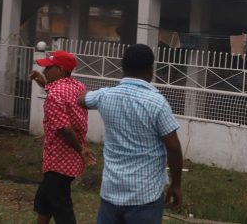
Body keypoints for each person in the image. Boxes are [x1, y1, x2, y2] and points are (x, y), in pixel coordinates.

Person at [78, 43, 183, 224]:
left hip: (111, 192)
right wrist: (176, 185)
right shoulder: (157, 103)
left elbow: (81, 100)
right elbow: (173, 147)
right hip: (145, 196)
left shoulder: (105, 96)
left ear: (123, 68)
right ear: (150, 69)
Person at [29, 50, 95, 224]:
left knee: (63, 211)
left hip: (59, 162)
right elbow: (64, 98)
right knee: (44, 202)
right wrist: (44, 84)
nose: (44, 72)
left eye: (48, 68)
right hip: (69, 161)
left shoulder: (55, 95)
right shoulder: (78, 86)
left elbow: (64, 129)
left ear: (60, 70)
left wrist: (81, 150)